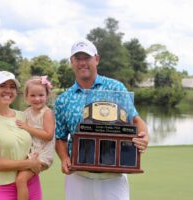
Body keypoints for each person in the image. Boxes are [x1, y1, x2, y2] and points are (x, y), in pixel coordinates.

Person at [54, 39, 149, 200]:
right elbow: (60, 137)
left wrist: (144, 136)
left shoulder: (115, 88)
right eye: (78, 59)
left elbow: (136, 120)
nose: (82, 63)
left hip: (113, 177)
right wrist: (64, 158)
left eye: (87, 58)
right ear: (72, 62)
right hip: (78, 177)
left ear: (96, 59)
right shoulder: (63, 99)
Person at [0, 71, 43, 200]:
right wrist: (29, 163)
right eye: (2, 86)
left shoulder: (23, 116)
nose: (8, 90)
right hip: (6, 188)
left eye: (12, 87)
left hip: (32, 183)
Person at [16, 76, 55, 200]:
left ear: (47, 95)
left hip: (43, 154)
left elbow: (48, 136)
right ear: (26, 97)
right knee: (14, 171)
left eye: (41, 95)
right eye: (32, 95)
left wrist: (27, 127)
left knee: (21, 180)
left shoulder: (47, 113)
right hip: (32, 152)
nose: (37, 99)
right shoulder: (26, 112)